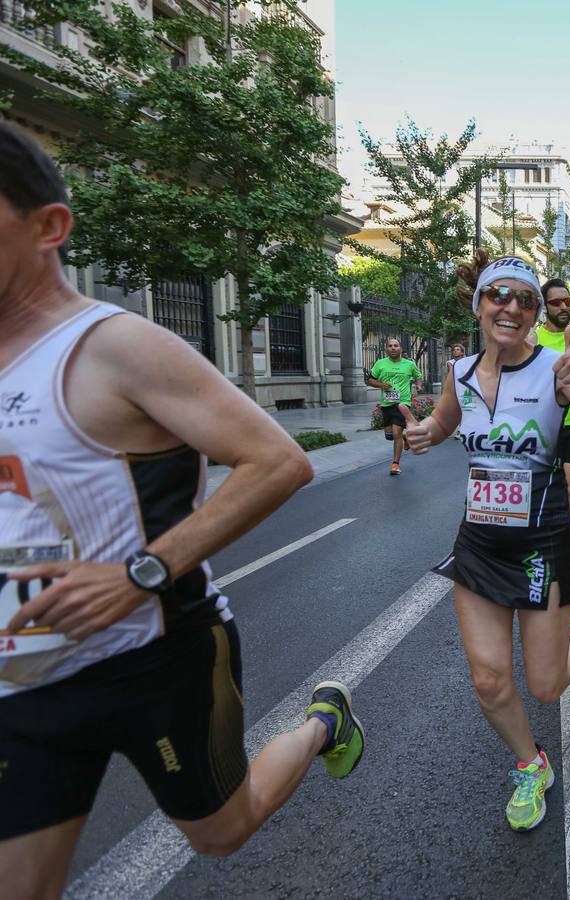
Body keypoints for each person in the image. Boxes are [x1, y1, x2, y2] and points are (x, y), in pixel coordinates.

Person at [0, 123, 364, 897]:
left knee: (221, 834)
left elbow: (278, 461)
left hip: (152, 656)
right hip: (21, 677)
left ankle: (325, 722)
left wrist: (140, 574)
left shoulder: (113, 346)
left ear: (48, 227)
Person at [407, 252, 570, 832]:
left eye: (524, 300)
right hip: (480, 544)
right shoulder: (459, 374)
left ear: (535, 313)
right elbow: (444, 422)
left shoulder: (556, 370)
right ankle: (531, 764)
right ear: (479, 304)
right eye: (498, 296)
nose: (510, 308)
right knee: (488, 679)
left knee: (545, 685)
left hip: (542, 544)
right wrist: (424, 433)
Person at [534, 278, 570, 536]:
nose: (563, 306)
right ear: (545, 306)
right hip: (544, 423)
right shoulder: (532, 338)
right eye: (556, 302)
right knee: (542, 487)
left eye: (567, 301)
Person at [368, 336, 423, 476]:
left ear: (400, 348)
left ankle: (395, 464)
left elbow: (418, 376)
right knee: (390, 435)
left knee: (396, 432)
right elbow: (370, 380)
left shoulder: (409, 364)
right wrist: (381, 385)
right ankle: (406, 438)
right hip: (387, 403)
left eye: (396, 345)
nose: (393, 348)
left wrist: (419, 385)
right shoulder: (380, 363)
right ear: (386, 349)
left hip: (402, 403)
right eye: (390, 346)